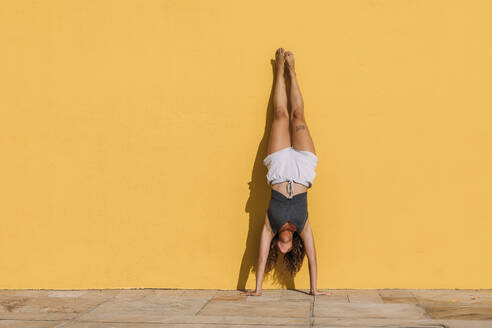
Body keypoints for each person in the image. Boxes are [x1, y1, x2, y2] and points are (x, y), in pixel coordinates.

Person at [241, 48, 331, 296]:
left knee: (280, 115)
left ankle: (280, 68)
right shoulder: (303, 226)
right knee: (297, 115)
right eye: (285, 248)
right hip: (302, 168)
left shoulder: (270, 225)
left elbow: (260, 259)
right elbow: (313, 258)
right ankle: (292, 69)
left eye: (277, 247)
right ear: (292, 245)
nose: (281, 247)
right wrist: (314, 290)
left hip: (279, 167)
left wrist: (257, 290)